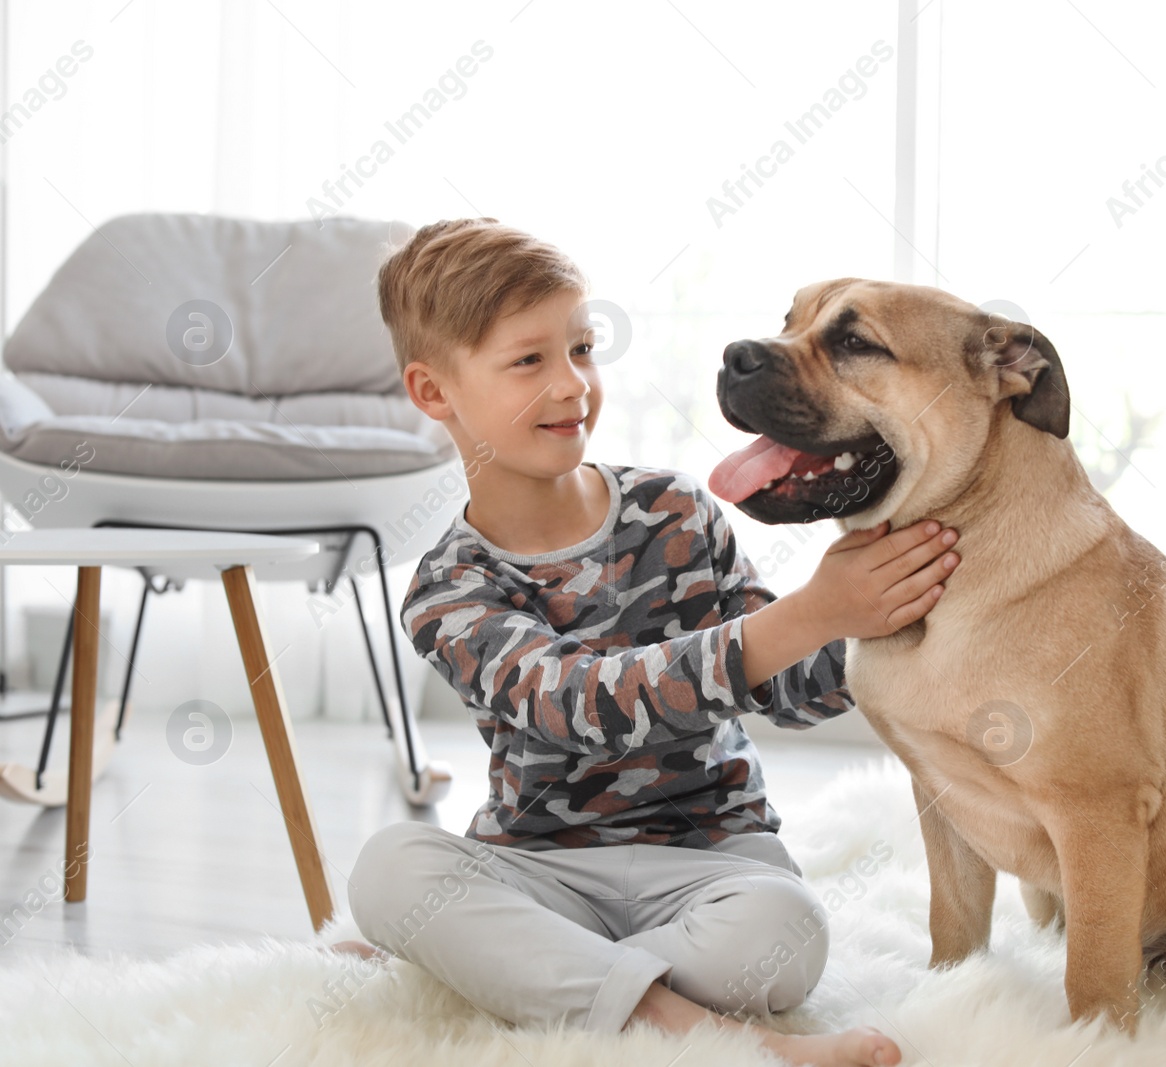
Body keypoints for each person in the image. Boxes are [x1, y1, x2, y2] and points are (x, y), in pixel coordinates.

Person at [337, 218, 960, 1067]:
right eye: (530, 360)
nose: (572, 385)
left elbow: (784, 687)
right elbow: (576, 705)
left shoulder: (673, 510)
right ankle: (705, 1033)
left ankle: (523, 972)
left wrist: (875, 614)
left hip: (713, 858)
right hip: (543, 869)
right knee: (388, 870)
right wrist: (810, 612)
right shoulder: (445, 589)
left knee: (789, 931)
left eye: (583, 348)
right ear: (434, 391)